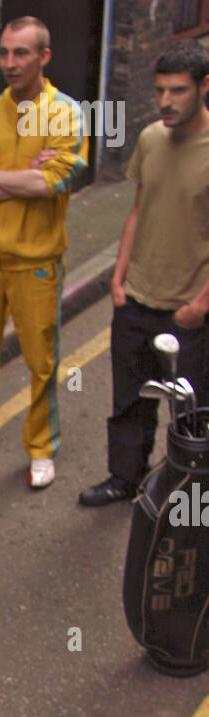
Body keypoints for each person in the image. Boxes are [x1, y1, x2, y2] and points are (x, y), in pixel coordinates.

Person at [0, 16, 87, 489]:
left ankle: (41, 448)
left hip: (36, 265)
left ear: (44, 56)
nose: (10, 63)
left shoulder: (64, 113)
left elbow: (53, 182)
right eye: (4, 52)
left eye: (21, 53)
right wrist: (16, 180)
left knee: (41, 364)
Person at [80, 42, 209, 507]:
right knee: (129, 404)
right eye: (159, 91)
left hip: (188, 312)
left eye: (177, 91)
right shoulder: (151, 138)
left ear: (204, 87)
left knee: (191, 414)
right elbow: (138, 210)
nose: (166, 102)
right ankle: (124, 479)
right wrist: (117, 281)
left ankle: (187, 496)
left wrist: (199, 306)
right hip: (136, 300)